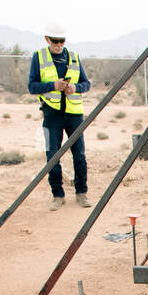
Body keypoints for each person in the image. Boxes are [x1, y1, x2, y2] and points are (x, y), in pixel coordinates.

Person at [28, 22, 91, 209]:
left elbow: (86, 84)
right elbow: (32, 86)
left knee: (79, 155)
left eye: (61, 41)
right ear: (47, 39)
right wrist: (52, 86)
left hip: (74, 115)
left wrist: (76, 88)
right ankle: (58, 195)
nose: (58, 44)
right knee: (52, 155)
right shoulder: (38, 57)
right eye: (55, 41)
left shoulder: (74, 57)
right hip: (51, 114)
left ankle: (82, 193)